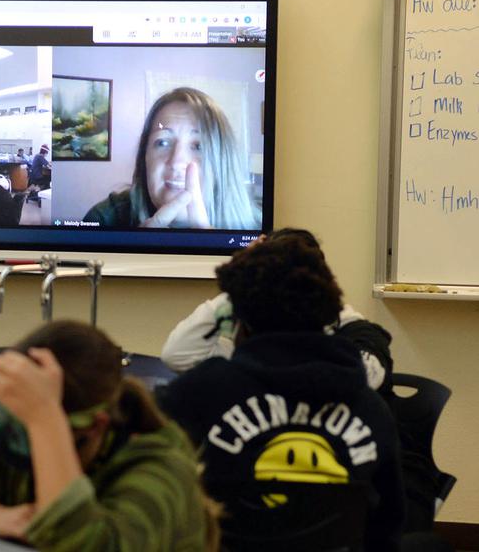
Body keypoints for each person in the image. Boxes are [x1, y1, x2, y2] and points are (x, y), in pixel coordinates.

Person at [156, 234, 405, 550]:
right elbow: (387, 527)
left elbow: (160, 506)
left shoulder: (197, 395)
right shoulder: (370, 410)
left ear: (238, 320)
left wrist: (246, 281)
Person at [0, 321, 216, 551]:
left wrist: (46, 422)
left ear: (96, 427)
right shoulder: (13, 434)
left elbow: (74, 542)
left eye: (38, 430)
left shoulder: (162, 470)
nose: (23, 447)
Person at [161, 228, 393, 393]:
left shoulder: (351, 328)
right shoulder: (247, 331)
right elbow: (177, 355)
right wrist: (243, 284)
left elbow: (370, 377)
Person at [83, 87, 259, 230]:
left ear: (223, 163)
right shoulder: (104, 219)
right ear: (144, 158)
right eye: (162, 142)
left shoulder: (260, 234)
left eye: (199, 146)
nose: (176, 162)